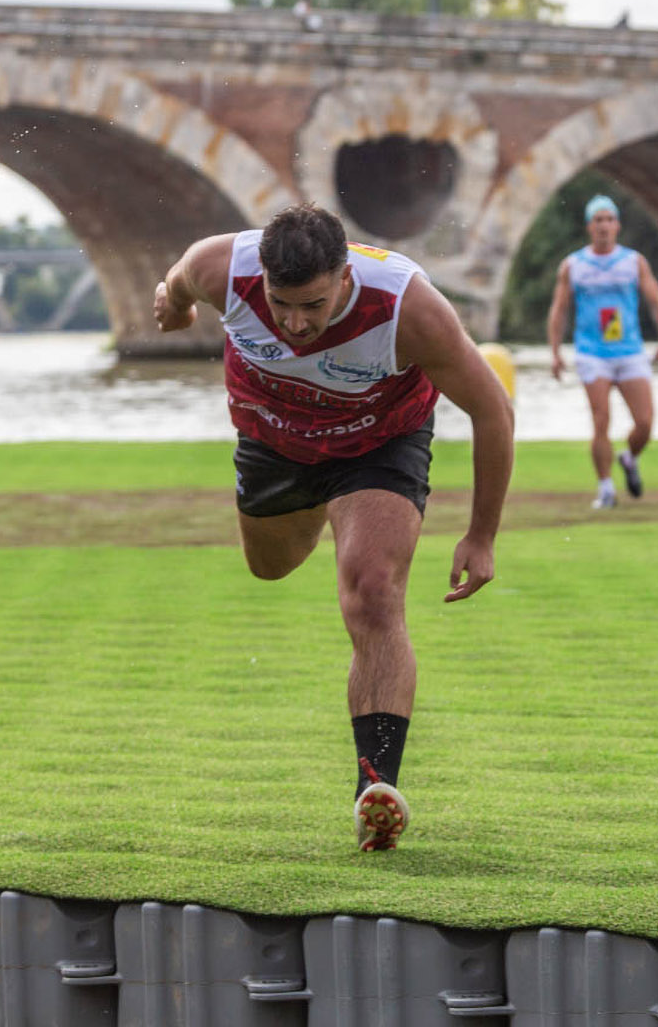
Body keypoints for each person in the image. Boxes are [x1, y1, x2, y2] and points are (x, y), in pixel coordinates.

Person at [154, 205, 513, 851]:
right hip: (273, 440)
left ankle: (376, 788)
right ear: (260, 277)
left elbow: (494, 411)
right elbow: (176, 284)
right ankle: (327, 508)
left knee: (373, 592)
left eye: (313, 306)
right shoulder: (220, 267)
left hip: (377, 443)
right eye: (280, 304)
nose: (295, 325)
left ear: (345, 278)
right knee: (269, 567)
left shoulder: (407, 309)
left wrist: (482, 535)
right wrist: (174, 308)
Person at [546, 194, 658, 509]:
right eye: (598, 220)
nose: (603, 226)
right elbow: (559, 310)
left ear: (617, 225)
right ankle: (605, 489)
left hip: (629, 350)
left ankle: (629, 457)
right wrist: (555, 353)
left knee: (645, 422)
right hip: (592, 352)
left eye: (609, 220)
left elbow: (656, 301)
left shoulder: (633, 262)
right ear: (589, 227)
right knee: (601, 419)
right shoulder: (573, 265)